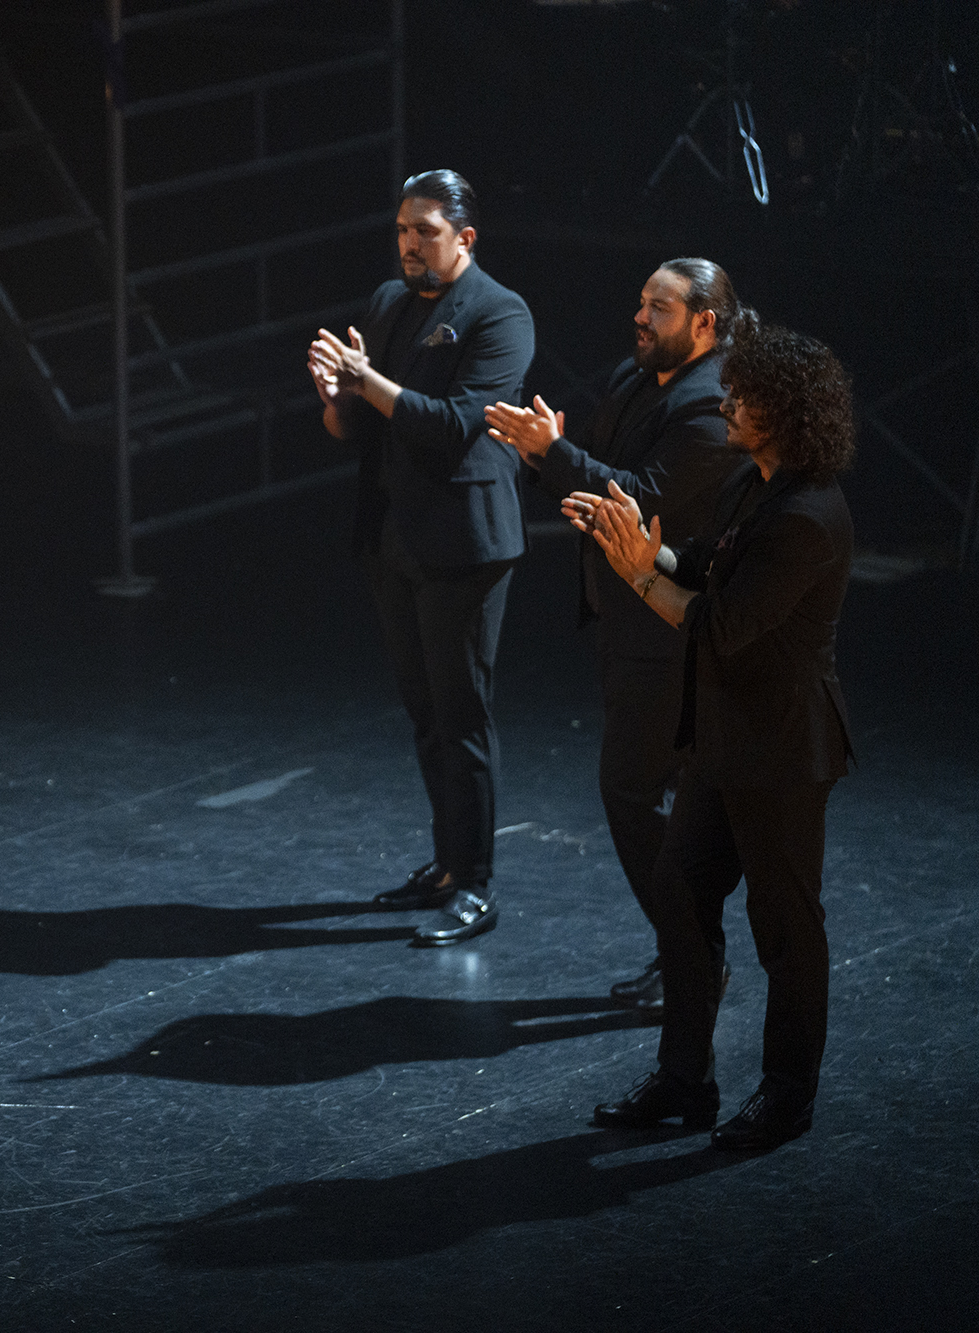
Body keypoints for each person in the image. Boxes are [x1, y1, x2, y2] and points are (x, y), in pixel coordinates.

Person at [576, 326, 855, 1150]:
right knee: (681, 889)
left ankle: (788, 1093)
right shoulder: (756, 485)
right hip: (725, 740)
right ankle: (684, 1078)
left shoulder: (807, 516)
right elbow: (699, 562)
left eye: (744, 396)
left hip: (781, 748)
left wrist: (636, 573)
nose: (727, 403)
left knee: (785, 925)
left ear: (786, 414)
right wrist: (646, 542)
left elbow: (718, 625)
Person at [483, 259, 749, 1007]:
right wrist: (548, 457)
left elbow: (641, 499)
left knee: (631, 792)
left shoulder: (712, 407)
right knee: (646, 793)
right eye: (639, 302)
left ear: (704, 323)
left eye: (657, 308)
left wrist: (550, 452)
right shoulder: (635, 380)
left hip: (668, 629)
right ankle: (688, 955)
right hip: (623, 617)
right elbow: (597, 470)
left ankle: (693, 956)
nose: (639, 317)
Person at [307, 169, 536, 945]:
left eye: (426, 230)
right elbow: (357, 431)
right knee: (424, 712)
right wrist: (337, 395)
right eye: (403, 229)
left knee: (462, 713)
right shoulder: (387, 302)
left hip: (464, 544)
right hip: (394, 537)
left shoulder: (501, 314)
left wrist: (367, 379)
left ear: (464, 238)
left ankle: (475, 884)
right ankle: (446, 864)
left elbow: (451, 426)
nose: (410, 243)